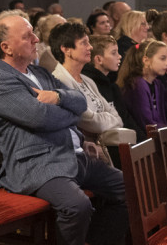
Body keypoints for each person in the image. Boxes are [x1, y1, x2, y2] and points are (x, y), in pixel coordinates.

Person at [0, 11, 127, 245]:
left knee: (130, 188)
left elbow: (78, 100)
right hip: (35, 163)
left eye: (34, 33)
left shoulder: (39, 72)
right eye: (27, 36)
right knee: (76, 204)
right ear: (6, 47)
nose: (36, 39)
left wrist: (59, 99)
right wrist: (64, 111)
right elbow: (39, 118)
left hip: (70, 155)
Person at [50, 22, 130, 164]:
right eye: (84, 43)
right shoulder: (60, 80)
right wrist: (104, 119)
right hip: (83, 152)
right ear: (66, 49)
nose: (90, 47)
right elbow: (89, 121)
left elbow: (117, 117)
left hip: (102, 147)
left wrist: (101, 120)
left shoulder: (87, 80)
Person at [118, 38, 167, 136]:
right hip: (146, 139)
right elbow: (147, 122)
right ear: (146, 60)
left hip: (159, 136)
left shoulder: (157, 84)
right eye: (162, 58)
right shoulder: (138, 84)